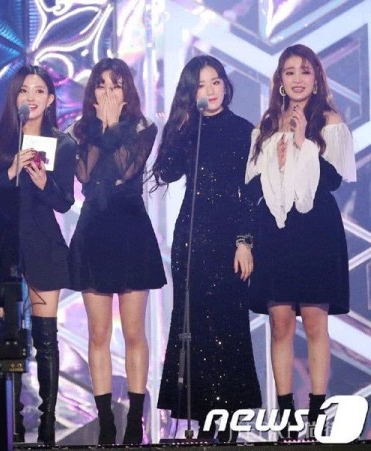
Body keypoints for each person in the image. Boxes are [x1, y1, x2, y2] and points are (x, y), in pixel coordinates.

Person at [245, 44, 356, 439]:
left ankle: (317, 416)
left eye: (304, 71)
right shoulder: (265, 126)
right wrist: (276, 160)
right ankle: (288, 418)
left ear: (316, 78)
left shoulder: (330, 121)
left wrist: (304, 138)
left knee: (314, 321)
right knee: (279, 323)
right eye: (289, 71)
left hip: (316, 231)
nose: (297, 79)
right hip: (274, 231)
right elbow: (251, 187)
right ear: (280, 80)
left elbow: (334, 181)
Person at [152, 55, 261, 442]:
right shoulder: (188, 129)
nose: (211, 91)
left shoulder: (243, 130)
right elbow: (166, 171)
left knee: (227, 327)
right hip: (191, 239)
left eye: (216, 82)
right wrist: (178, 127)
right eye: (201, 85)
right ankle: (202, 420)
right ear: (191, 92)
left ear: (225, 85)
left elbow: (251, 193)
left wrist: (244, 241)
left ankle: (228, 422)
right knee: (192, 326)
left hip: (228, 239)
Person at [68, 57, 166, 445]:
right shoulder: (79, 131)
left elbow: (126, 170)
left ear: (128, 91)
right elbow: (86, 176)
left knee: (134, 331)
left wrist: (111, 128)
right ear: (91, 91)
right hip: (94, 230)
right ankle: (106, 419)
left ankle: (136, 419)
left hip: (130, 231)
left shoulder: (143, 128)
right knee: (98, 332)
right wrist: (101, 129)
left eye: (116, 85)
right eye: (102, 85)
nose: (108, 92)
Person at [0, 65, 77, 445]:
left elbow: (64, 202)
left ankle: (48, 423)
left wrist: (44, 181)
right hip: (3, 246)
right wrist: (11, 171)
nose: (31, 97)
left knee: (45, 338)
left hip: (43, 244)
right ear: (15, 97)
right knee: (9, 338)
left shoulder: (62, 144)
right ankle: (13, 422)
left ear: (50, 99)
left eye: (39, 91)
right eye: (24, 90)